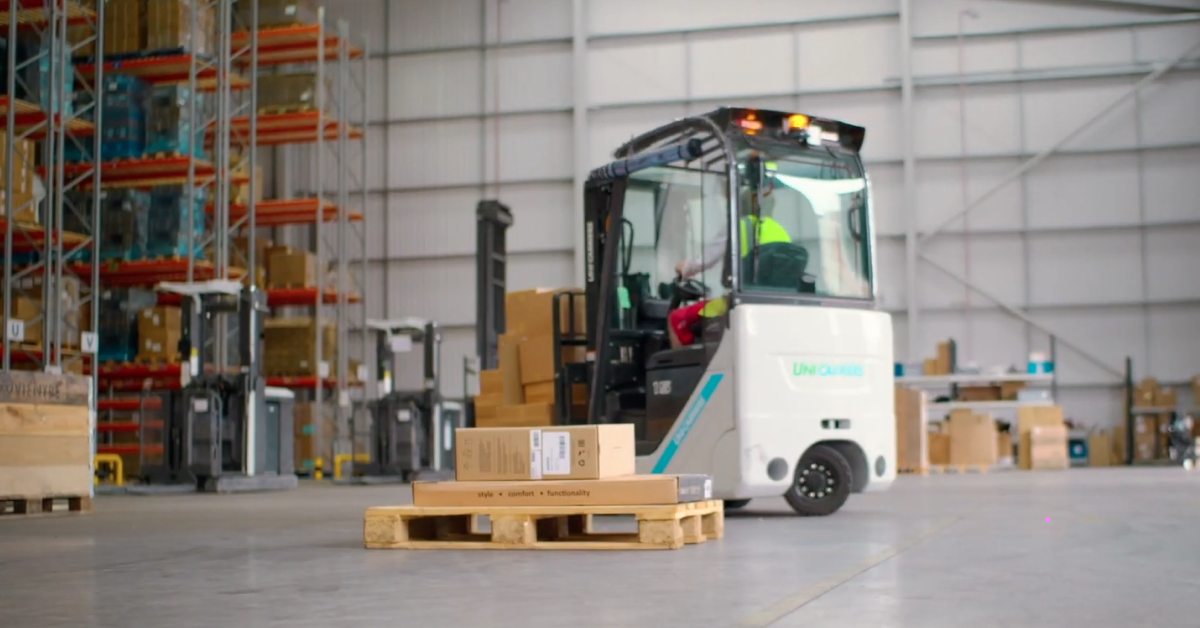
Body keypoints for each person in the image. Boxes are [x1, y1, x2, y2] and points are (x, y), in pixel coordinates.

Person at [666, 185, 791, 348]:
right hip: (771, 304)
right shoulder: (781, 231)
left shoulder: (739, 226)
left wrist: (685, 268)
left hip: (738, 303)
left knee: (676, 318)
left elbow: (704, 260)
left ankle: (684, 371)